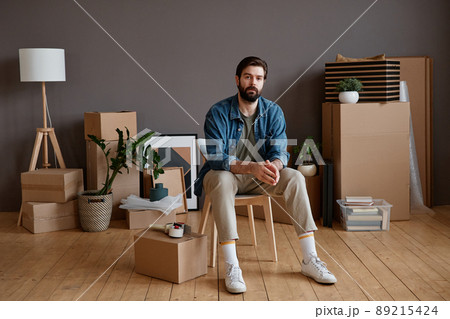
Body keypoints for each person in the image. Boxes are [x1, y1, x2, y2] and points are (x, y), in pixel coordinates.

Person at [194, 56, 336, 294]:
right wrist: (251, 167)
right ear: (238, 80)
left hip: (261, 177)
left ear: (263, 82)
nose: (253, 82)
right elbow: (216, 157)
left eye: (258, 78)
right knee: (220, 178)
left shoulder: (274, 111)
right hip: (225, 178)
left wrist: (275, 167)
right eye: (248, 77)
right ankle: (232, 265)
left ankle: (310, 259)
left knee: (295, 177)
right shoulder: (217, 112)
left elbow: (280, 152)